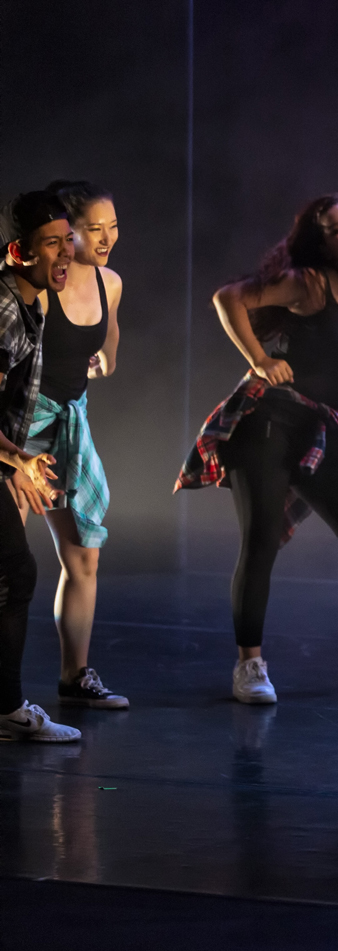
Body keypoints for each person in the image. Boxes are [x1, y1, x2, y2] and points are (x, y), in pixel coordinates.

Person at [178, 194, 338, 703]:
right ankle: (249, 666)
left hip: (318, 430)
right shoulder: (309, 284)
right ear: (323, 245)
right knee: (262, 540)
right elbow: (228, 298)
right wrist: (258, 360)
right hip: (267, 420)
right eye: (337, 229)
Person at [18, 181, 125, 710]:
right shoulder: (34, 287)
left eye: (112, 227)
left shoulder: (110, 283)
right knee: (7, 563)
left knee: (83, 557)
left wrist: (106, 357)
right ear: (63, 234)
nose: (106, 238)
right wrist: (16, 458)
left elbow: (109, 333)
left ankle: (75, 676)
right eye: (92, 229)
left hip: (67, 427)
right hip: (19, 433)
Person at [0, 191, 78, 741]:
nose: (66, 252)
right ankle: (7, 711)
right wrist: (17, 460)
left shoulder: (31, 299)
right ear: (21, 251)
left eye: (67, 240)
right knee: (18, 572)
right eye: (52, 243)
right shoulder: (6, 308)